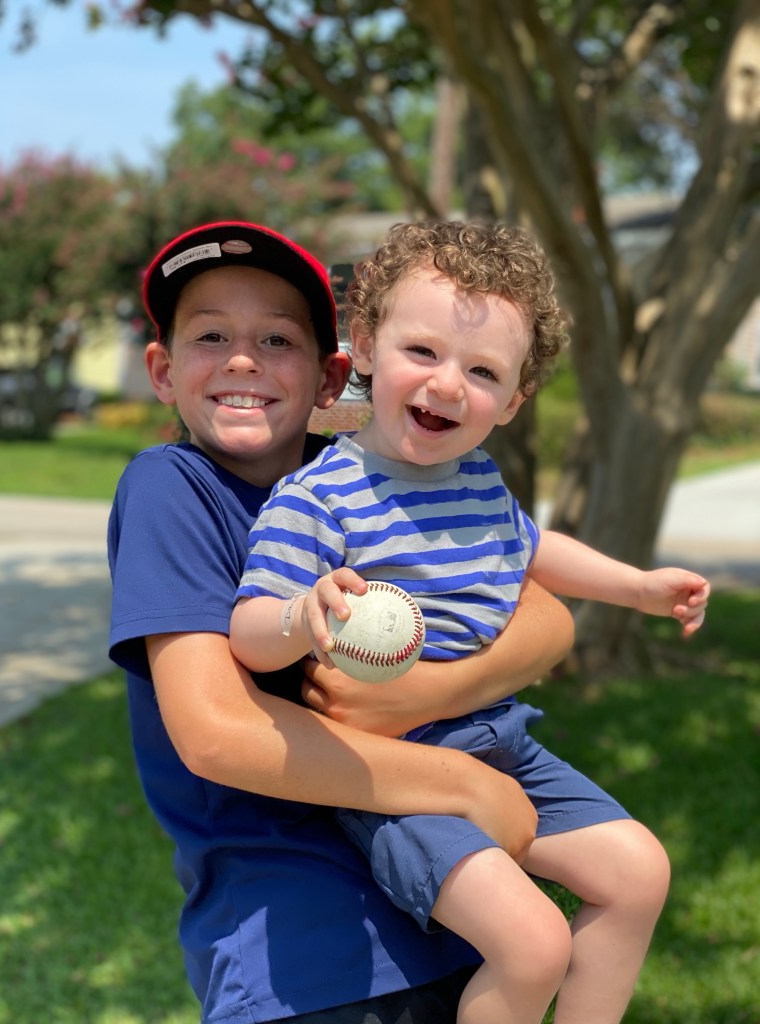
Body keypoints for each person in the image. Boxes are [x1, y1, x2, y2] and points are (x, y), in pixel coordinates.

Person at [230, 220, 710, 1024]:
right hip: (394, 771)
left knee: (638, 871)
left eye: (483, 370)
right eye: (423, 351)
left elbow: (534, 550)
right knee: (532, 945)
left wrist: (638, 589)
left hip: (499, 737)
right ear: (366, 346)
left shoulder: (477, 479)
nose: (448, 384)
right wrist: (301, 616)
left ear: (514, 400)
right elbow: (248, 632)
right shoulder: (317, 498)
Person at [107, 220, 577, 1024]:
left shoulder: (362, 481)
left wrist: (429, 694)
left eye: (277, 339)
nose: (243, 360)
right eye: (211, 335)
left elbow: (546, 614)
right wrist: (466, 783)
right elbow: (216, 735)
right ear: (162, 369)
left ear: (332, 377)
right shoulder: (173, 487)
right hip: (306, 945)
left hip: (447, 907)